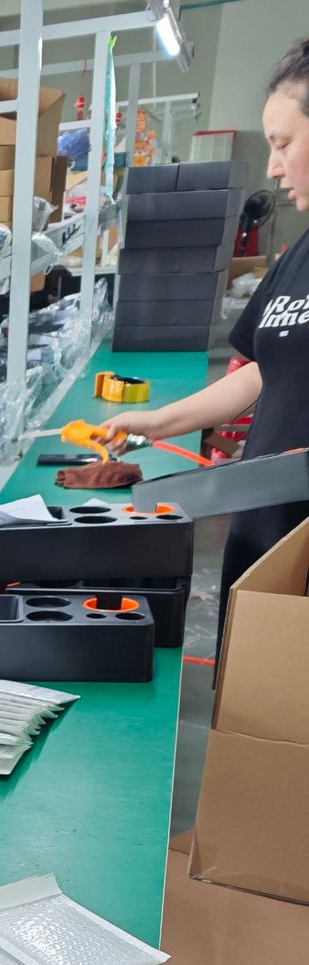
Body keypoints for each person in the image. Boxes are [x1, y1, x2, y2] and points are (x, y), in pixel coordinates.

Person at [101, 38, 309, 621]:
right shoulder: (301, 254)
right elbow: (266, 372)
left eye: (283, 144)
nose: (272, 167)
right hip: (267, 528)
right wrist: (157, 422)